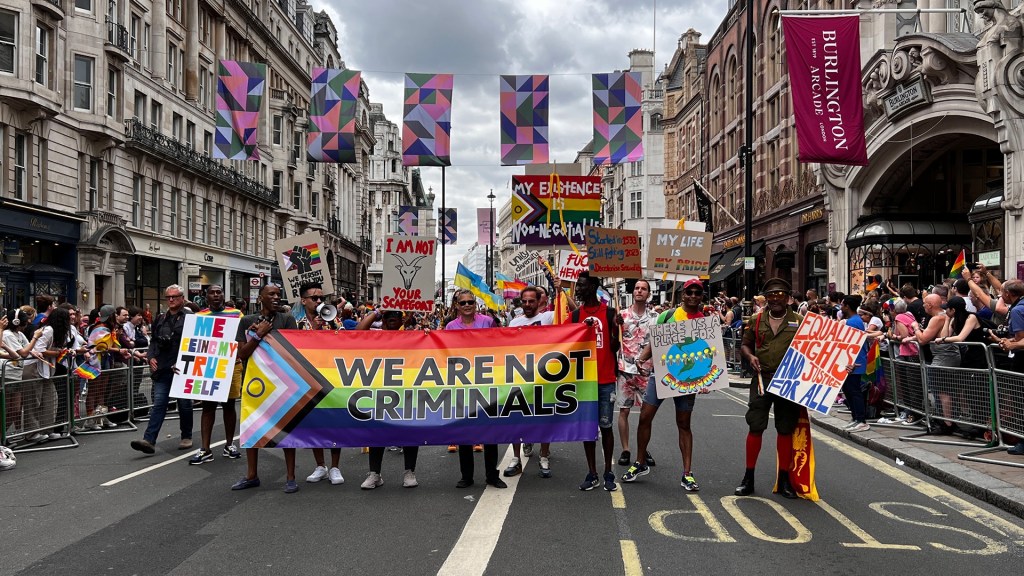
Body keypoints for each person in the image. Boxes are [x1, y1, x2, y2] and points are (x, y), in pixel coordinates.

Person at [622, 278, 712, 491]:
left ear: (701, 296)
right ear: (683, 295)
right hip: (661, 374)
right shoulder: (667, 316)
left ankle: (687, 474)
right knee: (645, 417)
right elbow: (654, 343)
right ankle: (640, 462)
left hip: (688, 379)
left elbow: (709, 354)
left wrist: (708, 380)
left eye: (697, 293)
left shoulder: (704, 321)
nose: (692, 296)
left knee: (683, 424)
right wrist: (641, 359)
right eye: (689, 292)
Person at [736, 278, 804, 499]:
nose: (775, 299)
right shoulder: (756, 320)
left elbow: (819, 350)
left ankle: (783, 480)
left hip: (788, 382)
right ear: (766, 298)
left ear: (788, 298)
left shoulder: (801, 322)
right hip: (761, 380)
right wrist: (750, 356)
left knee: (785, 429)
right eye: (771, 295)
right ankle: (748, 478)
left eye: (780, 294)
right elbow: (745, 345)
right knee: (755, 426)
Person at [231, 284, 300, 493]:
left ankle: (290, 476)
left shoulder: (287, 319)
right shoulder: (247, 321)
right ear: (260, 297)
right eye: (271, 294)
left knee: (287, 427)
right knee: (253, 427)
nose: (276, 297)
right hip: (255, 383)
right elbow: (242, 354)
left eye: (278, 294)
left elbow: (293, 351)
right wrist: (259, 335)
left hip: (282, 381)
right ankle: (251, 475)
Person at [445, 289, 506, 489]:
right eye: (462, 303)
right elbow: (443, 350)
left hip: (486, 382)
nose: (467, 305)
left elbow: (501, 343)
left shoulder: (487, 322)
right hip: (463, 384)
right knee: (465, 432)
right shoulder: (451, 326)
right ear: (456, 305)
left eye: (470, 301)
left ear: (475, 303)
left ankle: (492, 475)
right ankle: (467, 476)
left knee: (490, 432)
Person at [356, 309, 421, 489]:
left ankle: (410, 472)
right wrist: (376, 312)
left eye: (397, 316)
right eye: (387, 316)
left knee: (409, 428)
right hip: (379, 389)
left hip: (406, 389)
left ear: (402, 319)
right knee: (377, 430)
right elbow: (358, 331)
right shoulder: (375, 335)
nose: (392, 318)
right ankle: (375, 474)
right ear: (382, 319)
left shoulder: (411, 336)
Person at [571, 272, 620, 492]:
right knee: (588, 429)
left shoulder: (609, 313)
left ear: (593, 286)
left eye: (581, 285)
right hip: (583, 383)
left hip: (606, 380)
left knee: (606, 426)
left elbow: (615, 347)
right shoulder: (574, 316)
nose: (578, 289)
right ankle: (592, 472)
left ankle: (608, 471)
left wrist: (616, 328)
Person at [130, 287, 193, 454]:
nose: (171, 300)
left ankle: (186, 435)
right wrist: (150, 357)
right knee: (159, 404)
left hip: (181, 368)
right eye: (168, 297)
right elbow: (154, 342)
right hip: (162, 368)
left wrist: (182, 361)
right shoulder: (160, 318)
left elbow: (195, 343)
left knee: (184, 404)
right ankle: (149, 440)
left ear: (182, 298)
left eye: (174, 297)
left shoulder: (190, 318)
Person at [503, 286, 556, 479]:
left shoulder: (549, 317)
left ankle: (544, 456)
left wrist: (559, 288)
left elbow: (572, 313)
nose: (527, 305)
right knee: (516, 418)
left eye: (531, 301)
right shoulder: (514, 323)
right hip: (519, 377)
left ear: (539, 301)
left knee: (544, 417)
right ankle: (516, 459)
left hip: (543, 378)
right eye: (524, 301)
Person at [188, 285, 245, 465]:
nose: (215, 295)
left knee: (229, 405)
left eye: (219, 292)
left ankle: (229, 445)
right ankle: (205, 449)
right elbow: (192, 343)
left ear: (223, 295)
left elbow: (243, 338)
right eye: (212, 292)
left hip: (231, 366)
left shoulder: (237, 314)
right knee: (208, 407)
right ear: (206, 297)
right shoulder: (199, 317)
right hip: (208, 368)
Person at [297, 282, 345, 485]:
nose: (319, 301)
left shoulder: (332, 319)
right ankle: (320, 466)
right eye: (314, 298)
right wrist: (312, 332)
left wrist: (330, 324)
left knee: (334, 422)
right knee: (314, 422)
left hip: (332, 375)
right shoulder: (297, 323)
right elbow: (294, 348)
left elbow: (344, 342)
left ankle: (335, 467)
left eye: (321, 298)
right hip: (308, 378)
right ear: (303, 300)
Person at [614, 279, 658, 469]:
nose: (640, 291)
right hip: (625, 370)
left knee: (646, 415)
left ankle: (643, 448)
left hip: (647, 371)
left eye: (644, 289)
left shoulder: (656, 317)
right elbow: (613, 340)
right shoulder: (621, 315)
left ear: (649, 293)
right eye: (637, 288)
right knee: (624, 410)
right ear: (633, 292)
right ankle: (626, 449)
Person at [840, 295, 870, 432]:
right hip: (852, 362)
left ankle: (861, 420)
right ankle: (855, 418)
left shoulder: (852, 322)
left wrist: (851, 361)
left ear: (847, 306)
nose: (841, 307)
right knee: (849, 390)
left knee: (854, 391)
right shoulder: (854, 320)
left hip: (854, 363)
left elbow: (852, 344)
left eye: (842, 304)